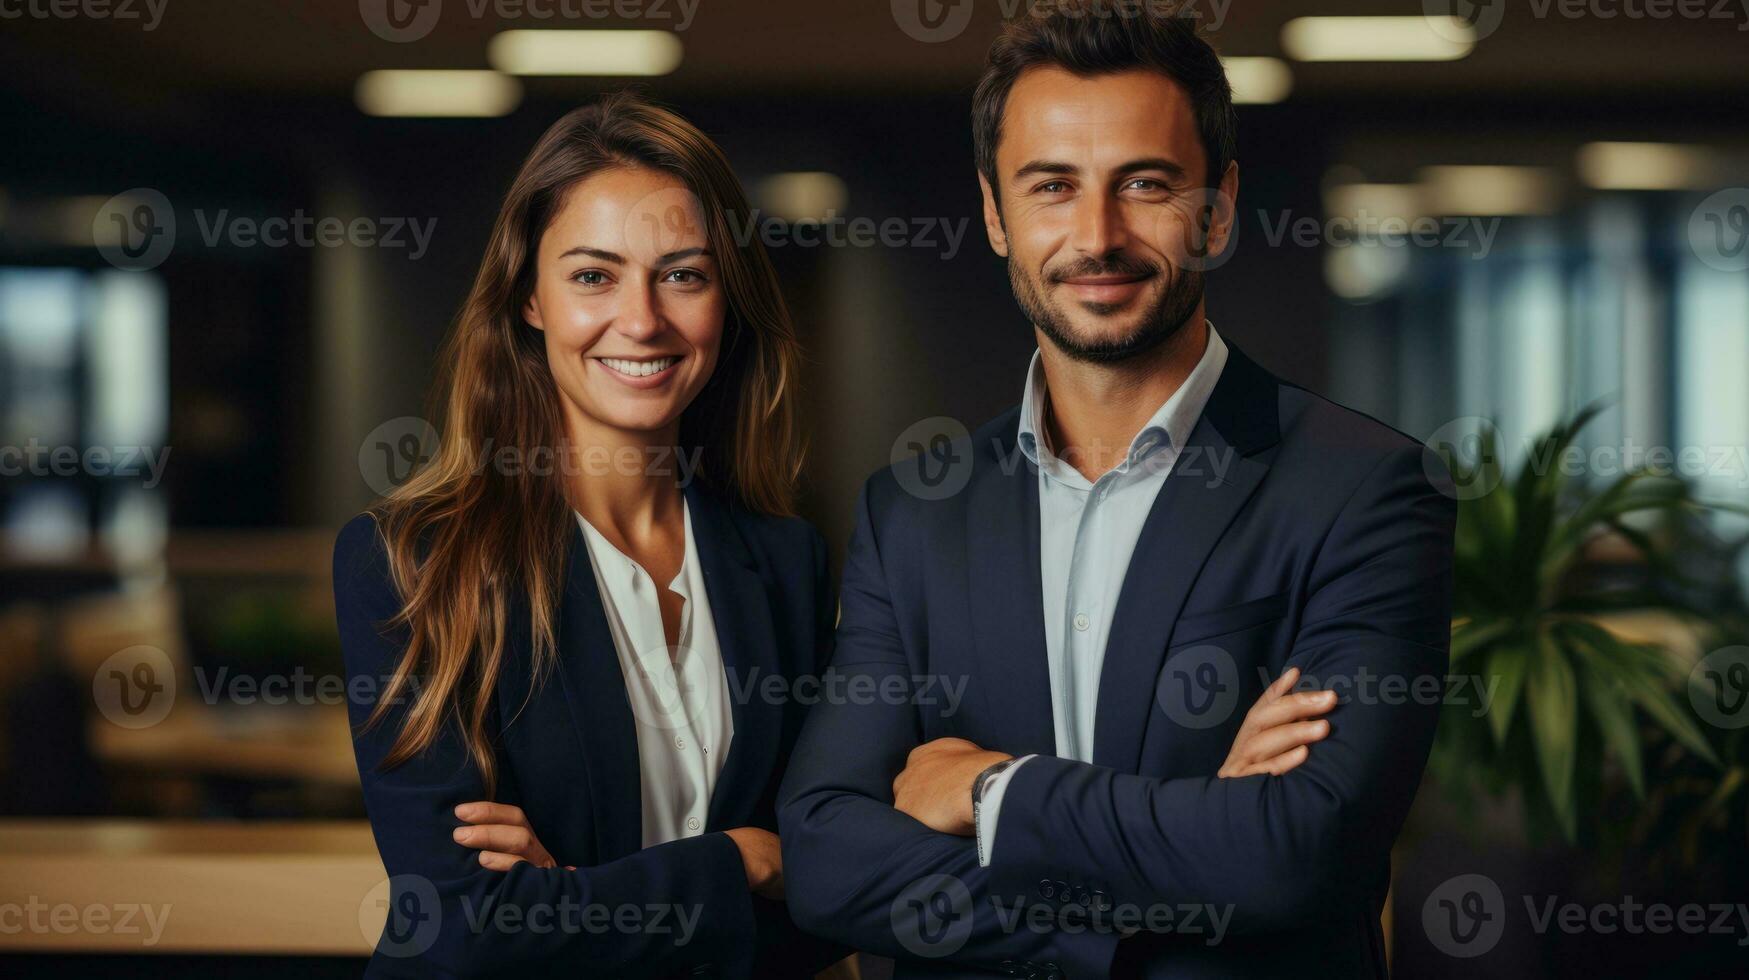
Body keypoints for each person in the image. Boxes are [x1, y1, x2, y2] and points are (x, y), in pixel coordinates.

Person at [778, 5, 1456, 978]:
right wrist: (1178, 864)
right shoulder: (918, 510)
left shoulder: (1365, 488)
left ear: (1216, 207)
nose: (1096, 235)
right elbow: (828, 858)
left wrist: (993, 794)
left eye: (1145, 184)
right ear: (994, 213)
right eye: (1052, 186)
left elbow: (1299, 850)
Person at [335, 92, 842, 978]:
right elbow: (466, 926)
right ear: (529, 297)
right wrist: (737, 863)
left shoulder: (785, 561)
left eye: (683, 274)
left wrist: (574, 897)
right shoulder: (416, 561)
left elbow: (832, 895)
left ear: (727, 299)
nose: (642, 320)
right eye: (593, 275)